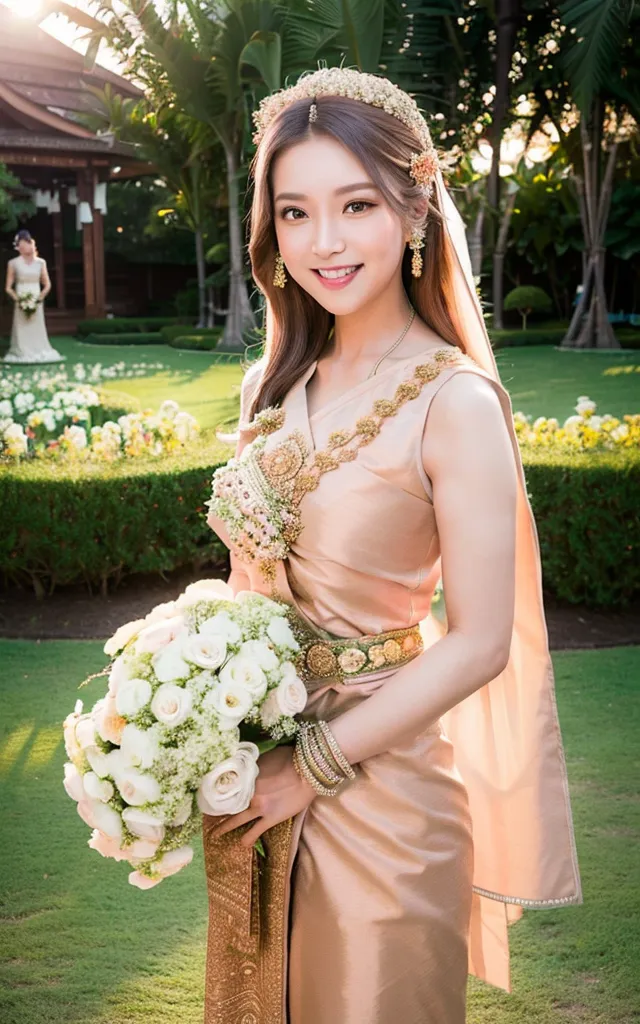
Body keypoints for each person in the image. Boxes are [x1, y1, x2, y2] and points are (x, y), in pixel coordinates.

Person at [202, 67, 582, 1024]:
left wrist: (312, 768)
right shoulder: (271, 388)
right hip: (255, 787)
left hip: (384, 793)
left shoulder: (454, 403)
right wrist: (187, 714)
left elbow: (480, 639)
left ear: (414, 210)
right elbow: (248, 588)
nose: (323, 242)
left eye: (356, 204)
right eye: (294, 213)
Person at [3, 229, 65, 364]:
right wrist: (19, 299)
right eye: (22, 243)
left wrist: (39, 298)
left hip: (36, 297)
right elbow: (8, 287)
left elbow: (47, 284)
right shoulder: (13, 263)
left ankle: (38, 349)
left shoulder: (40, 262)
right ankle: (22, 349)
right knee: (22, 325)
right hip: (21, 296)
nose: (25, 246)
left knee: (36, 325)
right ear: (18, 246)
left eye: (27, 242)